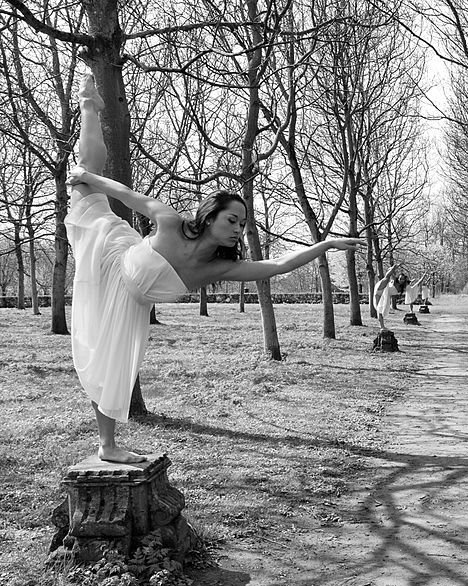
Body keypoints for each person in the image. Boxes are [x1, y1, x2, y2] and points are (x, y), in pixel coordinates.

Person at [65, 72, 364, 463]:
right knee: (86, 181)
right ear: (210, 217)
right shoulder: (171, 222)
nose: (238, 229)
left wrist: (324, 244)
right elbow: (125, 193)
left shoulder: (221, 269)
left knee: (109, 364)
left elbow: (276, 265)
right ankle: (89, 105)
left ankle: (107, 445)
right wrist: (87, 178)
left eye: (242, 224)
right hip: (111, 254)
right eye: (232, 220)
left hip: (129, 303)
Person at [373, 265, 400, 329]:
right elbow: (387, 276)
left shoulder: (389, 284)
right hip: (379, 293)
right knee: (379, 310)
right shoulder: (385, 281)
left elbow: (390, 277)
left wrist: (392, 271)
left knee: (380, 311)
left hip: (380, 293)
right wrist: (393, 269)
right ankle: (382, 326)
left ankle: (382, 326)